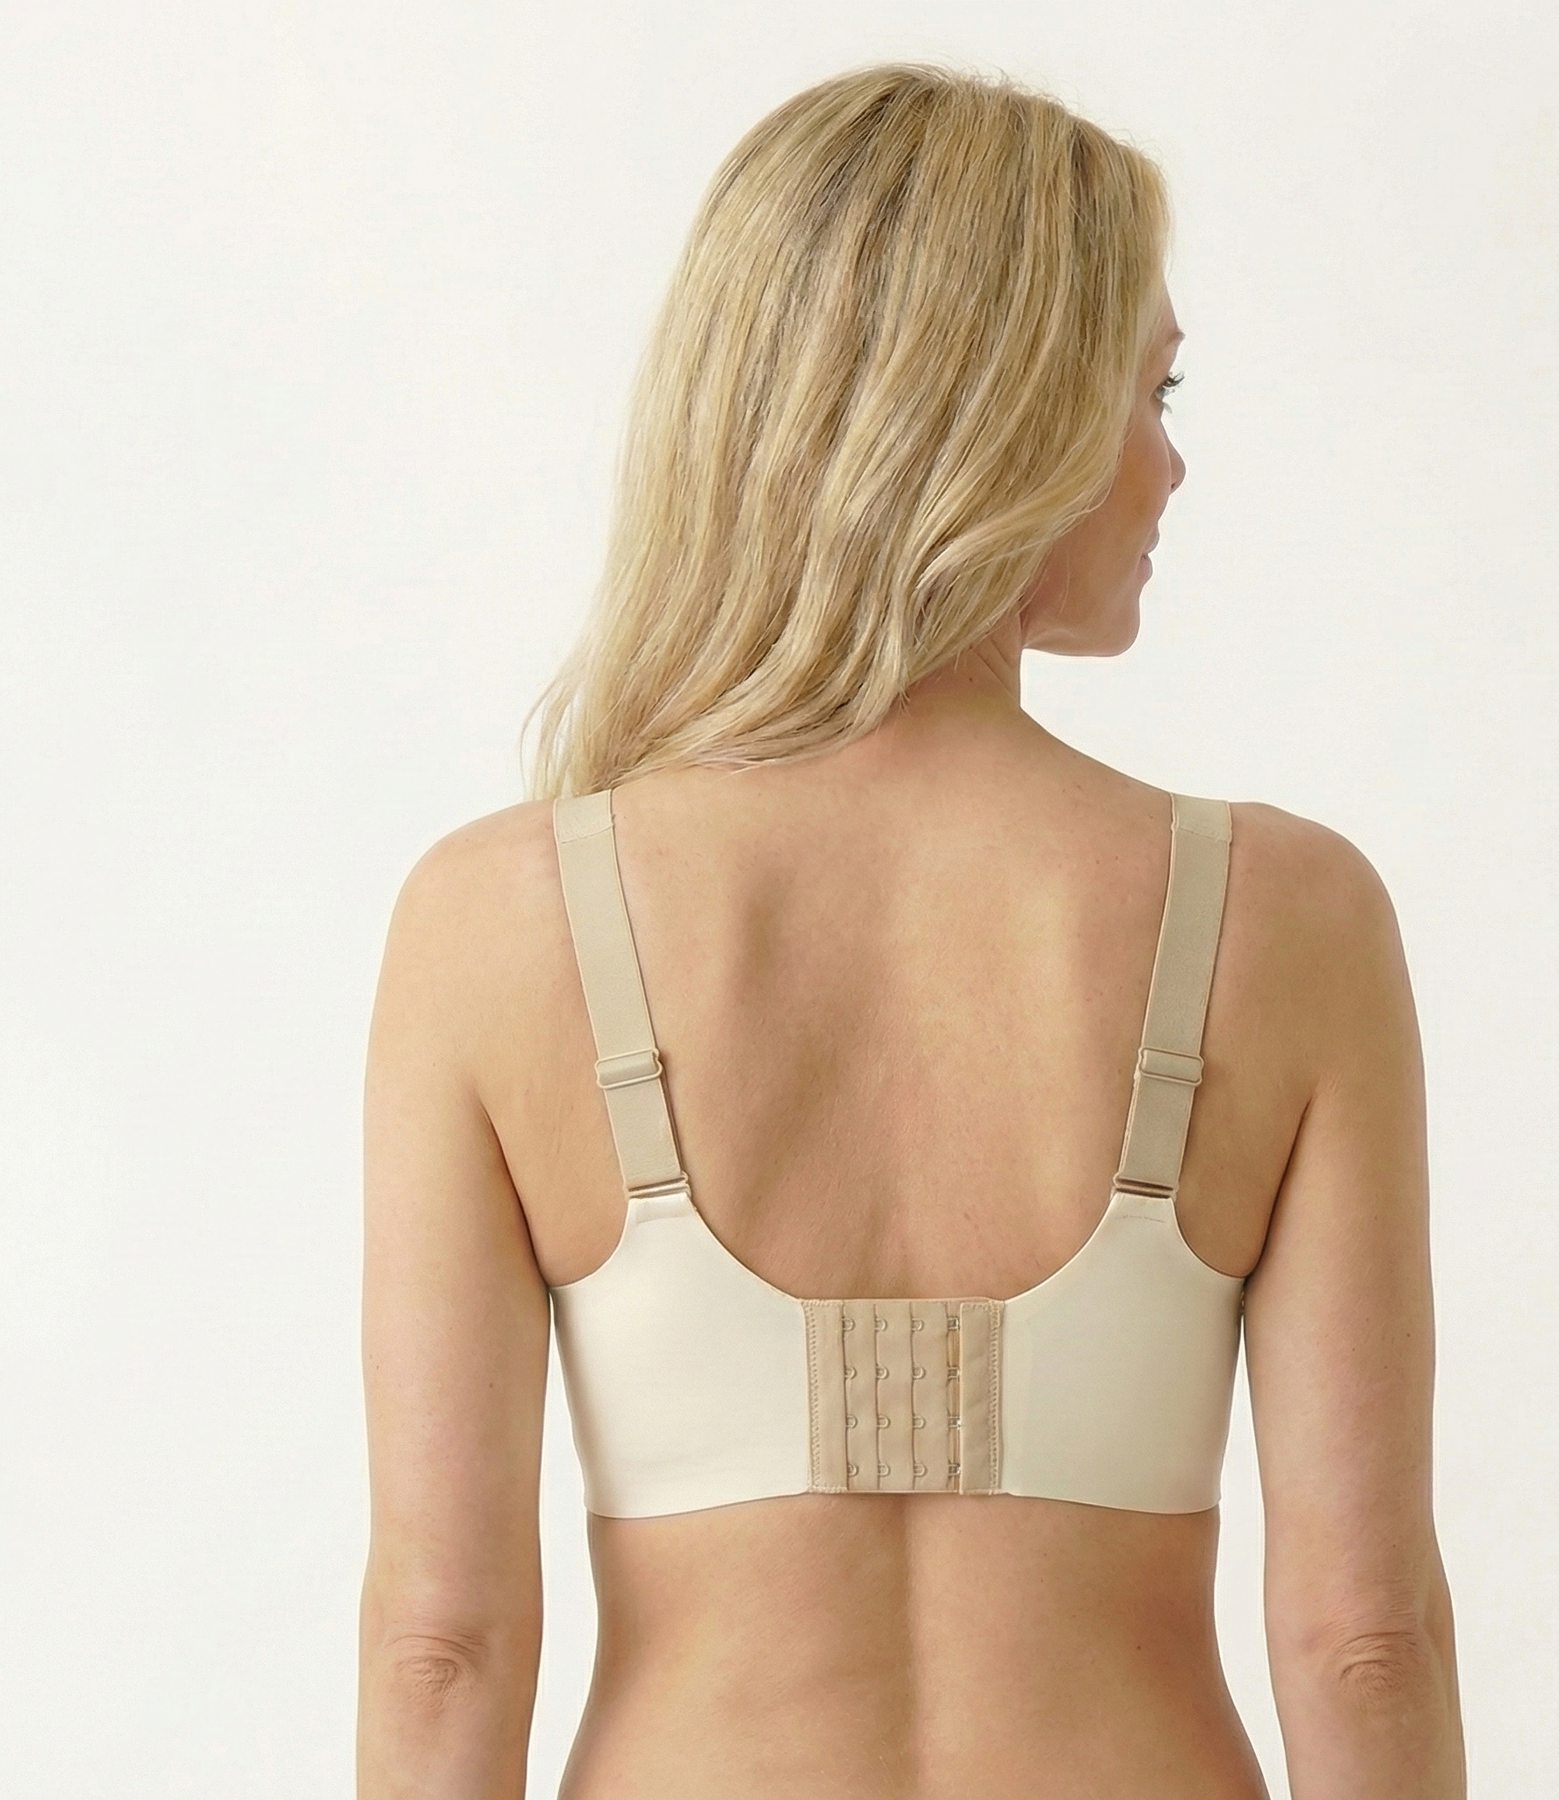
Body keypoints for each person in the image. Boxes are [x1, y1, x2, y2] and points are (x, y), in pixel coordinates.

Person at [356, 61, 1466, 1800]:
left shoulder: (497, 926)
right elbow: (1361, 1639)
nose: (1174, 464)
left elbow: (444, 1645)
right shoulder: (1287, 917)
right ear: (1005, 418)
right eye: (1151, 393)